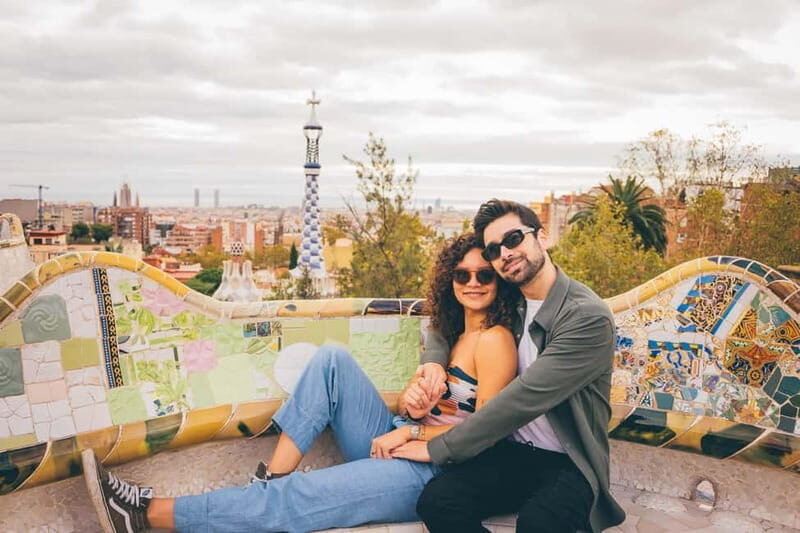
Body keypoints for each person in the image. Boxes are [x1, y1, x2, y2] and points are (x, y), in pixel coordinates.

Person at [81, 233, 519, 533]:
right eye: (463, 274)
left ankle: (147, 517)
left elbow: (484, 435)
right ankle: (270, 479)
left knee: (302, 496)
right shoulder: (456, 333)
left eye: (485, 275)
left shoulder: (496, 341)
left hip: (433, 469)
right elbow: (430, 407)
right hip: (404, 437)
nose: (474, 283)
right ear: (449, 280)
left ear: (499, 282)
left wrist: (413, 430)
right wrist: (414, 405)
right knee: (331, 360)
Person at [408, 199, 626, 533]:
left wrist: (435, 446)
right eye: (494, 250)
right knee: (438, 501)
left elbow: (522, 400)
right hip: (514, 455)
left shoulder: (585, 317)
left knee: (538, 525)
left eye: (513, 239)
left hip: (570, 462)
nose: (505, 254)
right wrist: (435, 362)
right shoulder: (513, 300)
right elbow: (447, 319)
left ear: (542, 237)